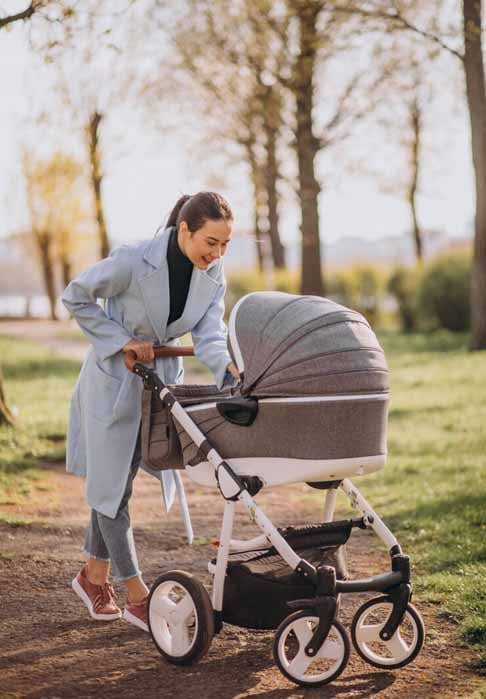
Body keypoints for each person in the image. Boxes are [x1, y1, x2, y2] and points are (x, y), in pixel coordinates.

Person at [62, 191, 239, 632]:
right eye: (210, 242)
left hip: (158, 384)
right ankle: (137, 595)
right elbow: (76, 295)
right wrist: (121, 339)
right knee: (112, 487)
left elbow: (210, 335)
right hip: (113, 384)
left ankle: (91, 577)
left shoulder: (213, 275)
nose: (216, 253)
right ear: (184, 230)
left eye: (224, 245)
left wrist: (231, 375)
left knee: (114, 481)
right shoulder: (132, 260)